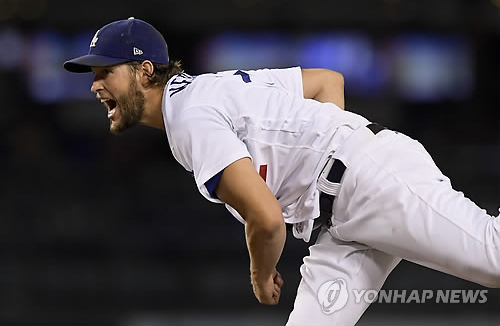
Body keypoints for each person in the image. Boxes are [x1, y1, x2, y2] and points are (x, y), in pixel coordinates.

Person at [63, 17, 499, 325]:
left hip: (371, 181)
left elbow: (266, 218)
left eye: (105, 71)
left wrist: (260, 272)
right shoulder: (209, 88)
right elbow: (329, 81)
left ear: (143, 71)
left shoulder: (190, 116)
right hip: (340, 216)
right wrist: (322, 154)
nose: (94, 83)